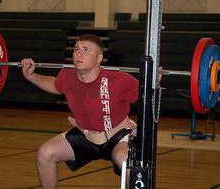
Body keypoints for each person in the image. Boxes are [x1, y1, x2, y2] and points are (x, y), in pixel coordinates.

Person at [21, 34, 139, 189]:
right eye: (77, 49)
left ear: (99, 58)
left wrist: (153, 82)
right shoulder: (67, 75)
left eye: (86, 50)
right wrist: (31, 76)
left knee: (125, 161)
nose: (79, 53)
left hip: (117, 136)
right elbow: (55, 85)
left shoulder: (120, 80)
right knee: (45, 153)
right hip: (86, 136)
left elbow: (146, 94)